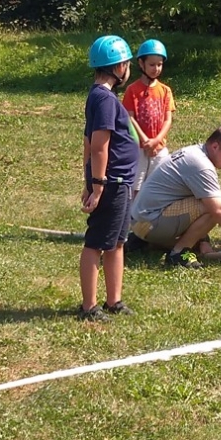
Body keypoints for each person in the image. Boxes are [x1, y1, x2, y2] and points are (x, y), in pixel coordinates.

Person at [129, 125, 221, 268]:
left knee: (210, 204)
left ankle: (145, 242)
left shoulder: (194, 152)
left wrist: (203, 239)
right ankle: (179, 253)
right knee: (213, 209)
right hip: (148, 222)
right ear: (215, 146)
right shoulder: (201, 165)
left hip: (140, 220)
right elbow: (219, 211)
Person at [79, 34, 139, 321]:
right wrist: (98, 185)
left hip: (120, 183)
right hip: (111, 183)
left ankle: (114, 300)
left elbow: (87, 144)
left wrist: (88, 180)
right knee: (96, 243)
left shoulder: (103, 97)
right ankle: (89, 306)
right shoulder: (103, 99)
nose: (128, 68)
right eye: (126, 63)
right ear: (118, 68)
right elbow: (98, 144)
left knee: (117, 242)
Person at [121, 39, 175, 185]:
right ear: (141, 63)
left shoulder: (165, 91)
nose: (156, 68)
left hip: (160, 147)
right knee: (136, 186)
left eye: (160, 64)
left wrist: (156, 141)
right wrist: (145, 140)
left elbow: (167, 119)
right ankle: (134, 209)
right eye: (152, 64)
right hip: (138, 147)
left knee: (159, 184)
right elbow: (130, 117)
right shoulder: (132, 90)